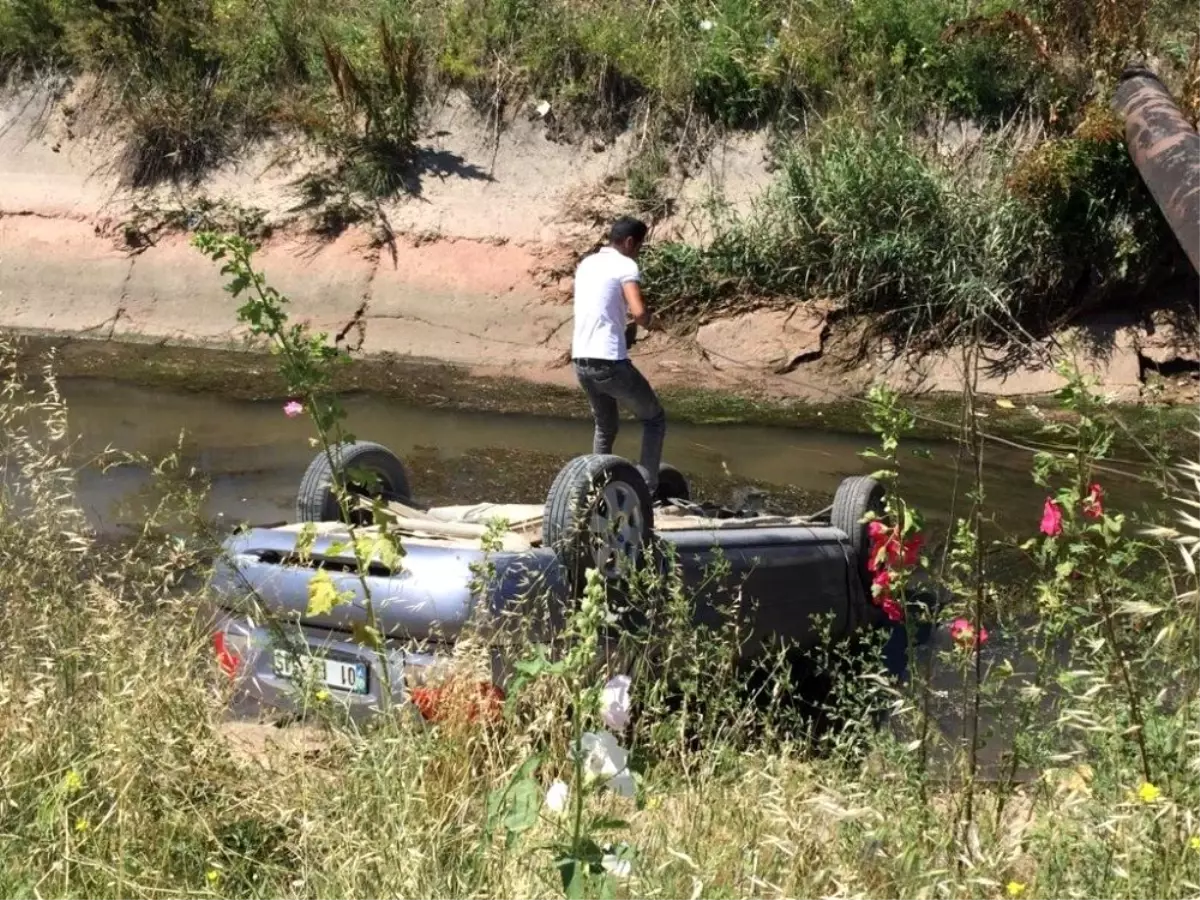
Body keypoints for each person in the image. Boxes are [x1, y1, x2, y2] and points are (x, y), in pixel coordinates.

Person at [570, 216, 666, 496]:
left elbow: (601, 306)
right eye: (639, 247)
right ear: (628, 242)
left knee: (605, 425)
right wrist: (651, 322)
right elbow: (638, 312)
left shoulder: (587, 263)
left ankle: (594, 489)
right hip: (609, 362)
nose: (638, 252)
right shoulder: (626, 265)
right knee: (654, 418)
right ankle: (647, 492)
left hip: (581, 360)